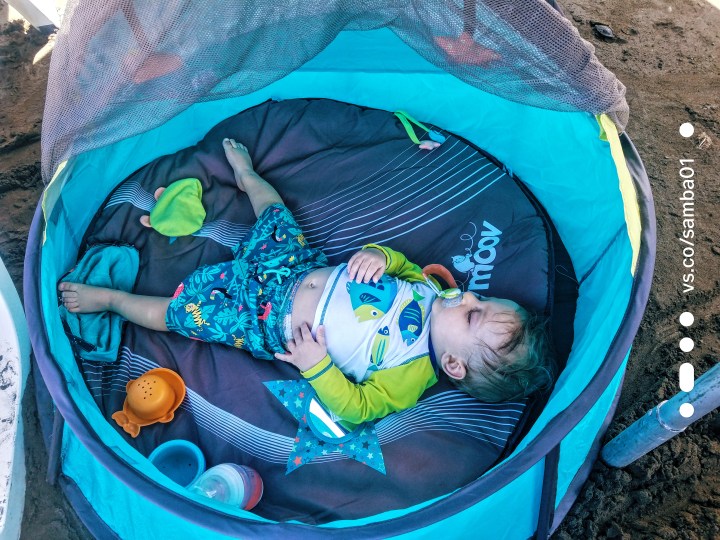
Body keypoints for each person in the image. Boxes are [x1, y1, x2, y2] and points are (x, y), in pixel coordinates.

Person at [59, 138, 554, 425]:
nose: (467, 293)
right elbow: (402, 265)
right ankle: (247, 175)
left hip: (262, 320)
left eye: (474, 312)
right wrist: (377, 257)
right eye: (481, 296)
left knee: (176, 317)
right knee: (275, 213)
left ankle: (113, 299)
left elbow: (358, 409)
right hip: (295, 266)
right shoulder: (437, 295)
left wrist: (317, 367)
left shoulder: (410, 374)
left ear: (452, 363)